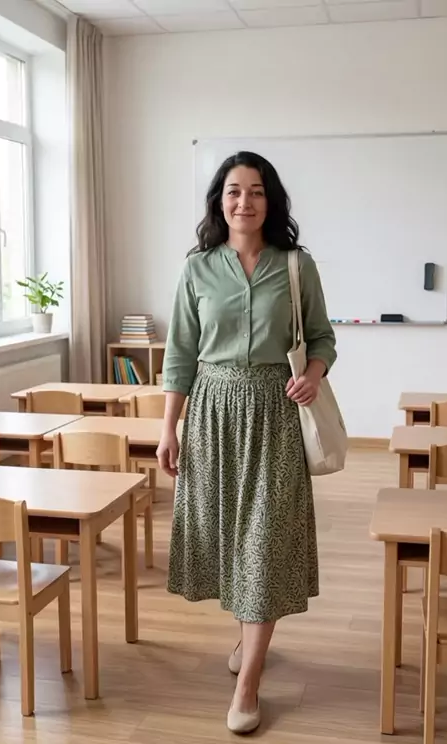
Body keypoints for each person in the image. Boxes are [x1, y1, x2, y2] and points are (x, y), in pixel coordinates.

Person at [157, 151, 336, 734]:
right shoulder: (197, 269)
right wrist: (168, 427)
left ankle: (249, 683)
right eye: (234, 191)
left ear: (270, 200)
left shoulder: (296, 265)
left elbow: (322, 338)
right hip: (211, 415)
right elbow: (180, 354)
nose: (244, 201)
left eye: (256, 191)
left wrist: (313, 374)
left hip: (276, 414)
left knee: (264, 542)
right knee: (231, 540)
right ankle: (246, 639)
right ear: (219, 201)